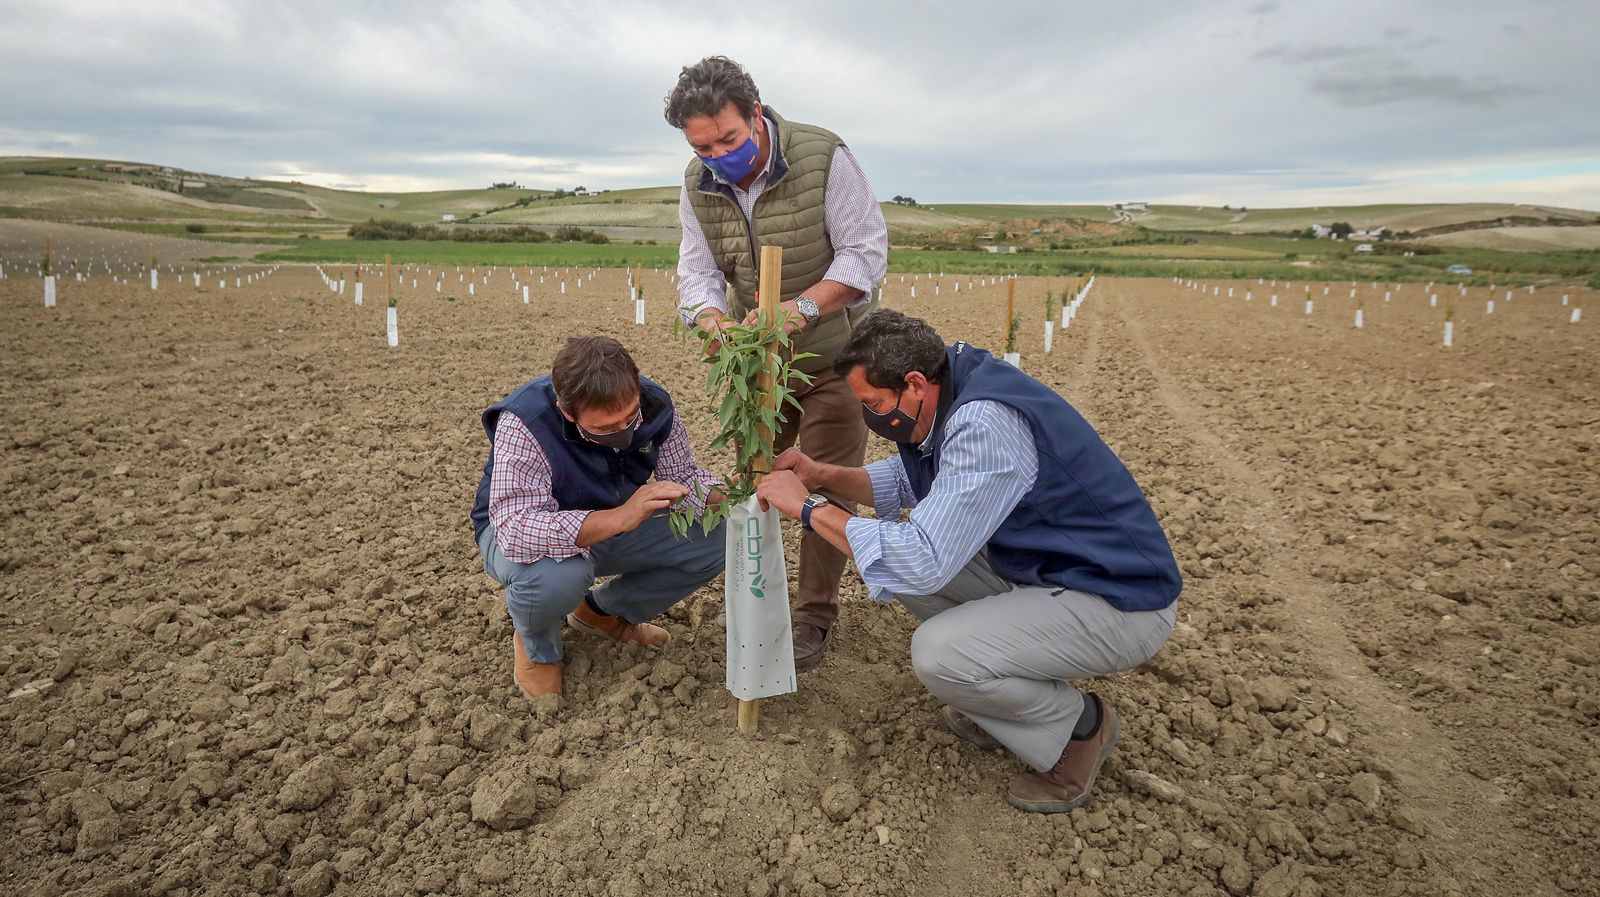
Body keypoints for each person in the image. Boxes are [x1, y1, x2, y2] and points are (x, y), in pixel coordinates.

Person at [754, 310, 1183, 812]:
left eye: (872, 403)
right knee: (902, 569)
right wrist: (817, 472)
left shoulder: (984, 423)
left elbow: (922, 558)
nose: (869, 417)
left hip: (1118, 601)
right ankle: (1003, 698)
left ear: (914, 383)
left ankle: (1079, 729)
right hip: (1054, 575)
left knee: (940, 654)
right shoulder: (952, 390)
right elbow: (909, 483)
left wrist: (809, 509)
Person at [665, 55, 889, 672]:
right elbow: (698, 269)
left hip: (836, 359)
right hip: (757, 370)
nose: (718, 155)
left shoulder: (823, 157)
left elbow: (864, 257)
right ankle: (755, 592)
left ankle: (815, 616)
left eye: (729, 139)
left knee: (822, 478)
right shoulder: (698, 181)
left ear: (757, 116)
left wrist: (797, 311)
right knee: (755, 478)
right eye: (703, 146)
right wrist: (710, 319)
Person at [469, 336, 725, 699]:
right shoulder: (527, 422)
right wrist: (621, 517)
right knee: (561, 575)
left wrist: (738, 494)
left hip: (613, 521)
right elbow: (516, 529)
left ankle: (602, 613)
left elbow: (682, 479)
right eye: (605, 428)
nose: (623, 433)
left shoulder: (654, 405)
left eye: (629, 417)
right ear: (568, 412)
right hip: (525, 536)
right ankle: (537, 648)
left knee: (717, 533)